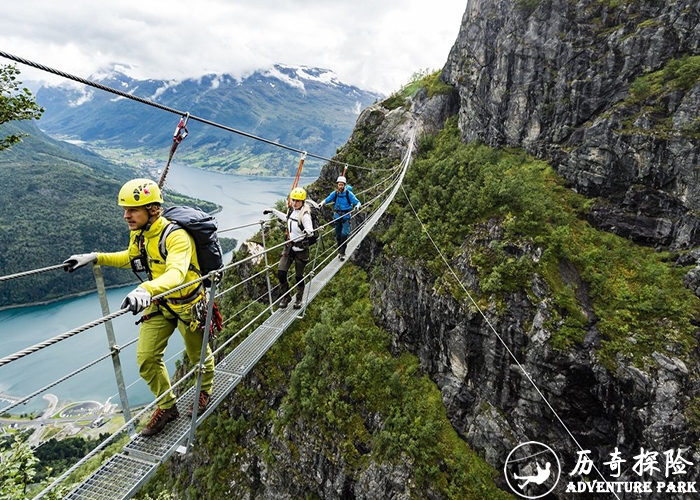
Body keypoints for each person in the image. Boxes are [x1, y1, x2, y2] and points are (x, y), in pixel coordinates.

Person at [63, 178, 215, 437]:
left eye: (133, 210)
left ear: (153, 209)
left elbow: (177, 273)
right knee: (146, 359)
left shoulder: (176, 236)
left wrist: (146, 289)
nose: (126, 215)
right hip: (161, 303)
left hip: (187, 304)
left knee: (197, 355)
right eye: (125, 210)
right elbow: (129, 258)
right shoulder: (141, 234)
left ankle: (204, 391)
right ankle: (168, 407)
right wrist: (95, 257)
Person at [263, 187, 315, 310]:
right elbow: (286, 218)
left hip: (301, 249)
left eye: (297, 201)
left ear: (302, 202)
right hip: (290, 247)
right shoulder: (292, 211)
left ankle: (299, 299)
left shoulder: (305, 215)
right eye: (293, 200)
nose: (295, 203)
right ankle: (286, 296)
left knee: (298, 276)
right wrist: (273, 211)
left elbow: (311, 230)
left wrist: (307, 231)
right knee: (281, 272)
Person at [319, 175, 361, 261]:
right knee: (338, 236)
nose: (340, 186)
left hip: (346, 216)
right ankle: (340, 251)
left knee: (344, 234)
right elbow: (328, 199)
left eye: (342, 185)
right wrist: (321, 203)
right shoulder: (335, 193)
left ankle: (342, 253)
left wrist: (357, 206)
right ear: (337, 185)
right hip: (337, 216)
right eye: (339, 185)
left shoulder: (348, 194)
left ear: (345, 185)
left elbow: (357, 202)